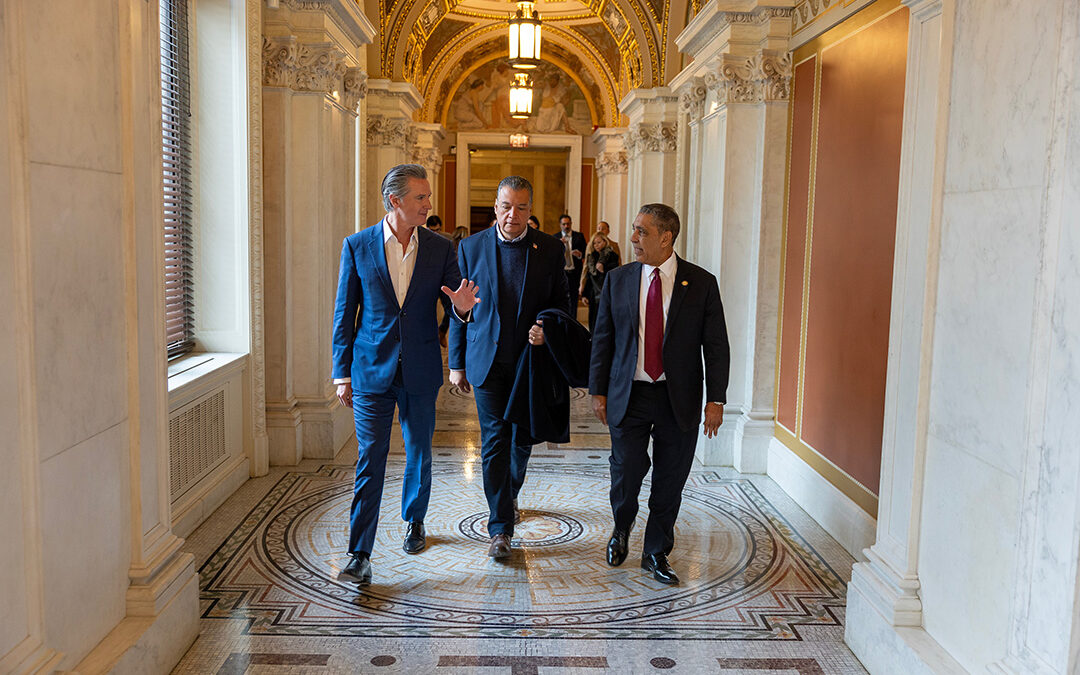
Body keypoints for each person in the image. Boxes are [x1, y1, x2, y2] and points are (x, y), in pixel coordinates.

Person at [331, 164, 480, 587]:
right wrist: (341, 373)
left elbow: (456, 301)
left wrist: (462, 309)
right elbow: (344, 313)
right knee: (370, 458)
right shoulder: (357, 246)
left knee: (418, 450)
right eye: (421, 197)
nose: (428, 204)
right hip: (370, 370)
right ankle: (359, 553)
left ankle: (415, 519)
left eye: (427, 197)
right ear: (395, 201)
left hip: (420, 367)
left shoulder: (440, 248)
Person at [588, 203, 730, 586]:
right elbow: (603, 339)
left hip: (677, 398)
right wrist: (597, 390)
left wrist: (716, 399)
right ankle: (621, 528)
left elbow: (716, 346)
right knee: (626, 470)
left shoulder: (700, 283)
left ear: (666, 238)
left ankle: (655, 551)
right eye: (634, 229)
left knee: (670, 478)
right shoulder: (618, 280)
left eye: (642, 231)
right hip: (629, 393)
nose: (633, 238)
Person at [448, 176, 568, 559]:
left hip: (529, 362)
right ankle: (500, 528)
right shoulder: (470, 248)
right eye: (505, 206)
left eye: (521, 207)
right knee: (494, 440)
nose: (512, 214)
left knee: (522, 438)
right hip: (487, 361)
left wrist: (546, 329)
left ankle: (510, 492)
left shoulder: (550, 249)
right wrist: (456, 363)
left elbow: (561, 304)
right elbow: (460, 307)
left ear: (530, 210)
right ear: (495, 207)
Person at [579, 232, 619, 333]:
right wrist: (584, 295)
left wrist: (603, 269)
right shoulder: (591, 257)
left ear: (605, 242)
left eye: (599, 242)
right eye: (594, 243)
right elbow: (589, 276)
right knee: (593, 320)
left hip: (608, 292)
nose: (596, 245)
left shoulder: (612, 255)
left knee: (606, 321)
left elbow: (615, 274)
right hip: (594, 293)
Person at [554, 214, 586, 314]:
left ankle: (573, 320)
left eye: (568, 224)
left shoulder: (579, 236)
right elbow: (551, 256)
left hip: (574, 273)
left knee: (574, 300)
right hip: (561, 273)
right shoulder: (555, 238)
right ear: (560, 225)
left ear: (571, 224)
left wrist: (580, 254)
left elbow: (586, 252)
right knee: (560, 299)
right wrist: (558, 245)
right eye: (564, 224)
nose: (566, 226)